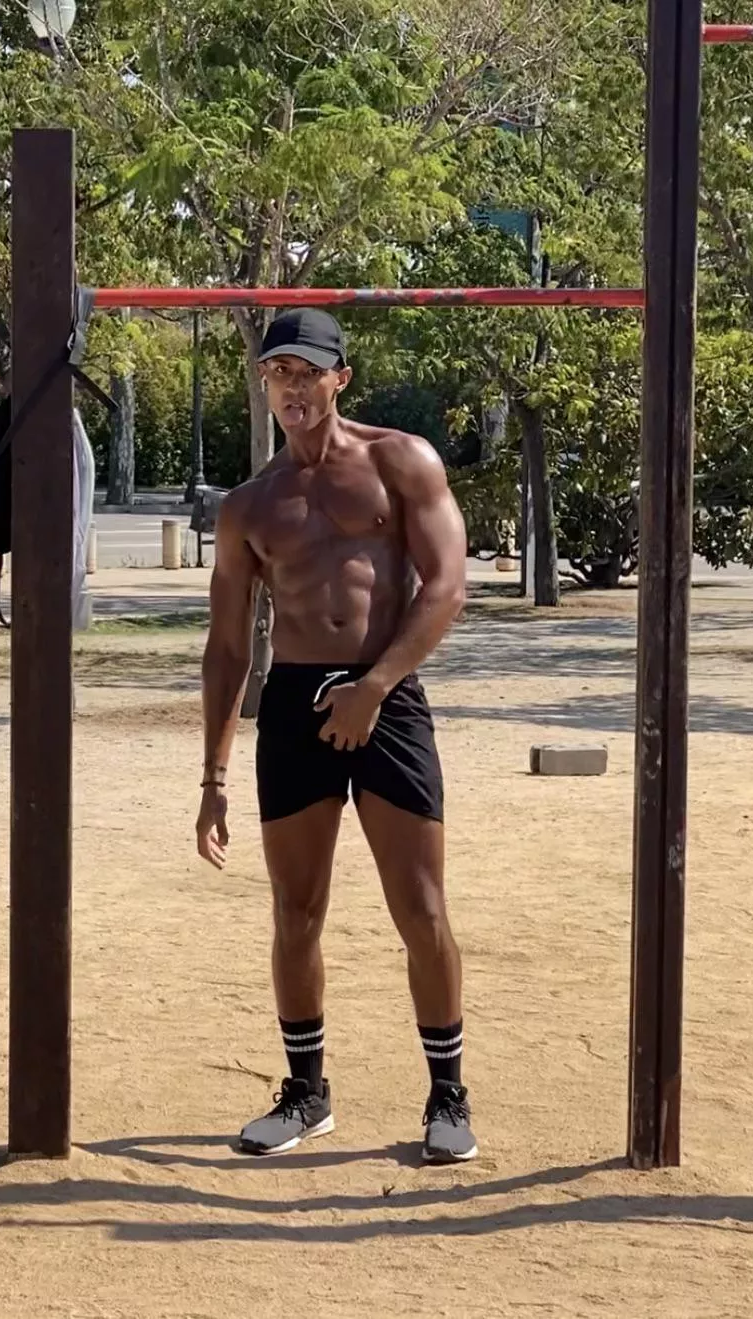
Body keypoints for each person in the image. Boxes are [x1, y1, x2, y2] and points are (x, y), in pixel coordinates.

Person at [196, 307, 477, 1164]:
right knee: (295, 910)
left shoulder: (400, 461)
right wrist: (211, 775)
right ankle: (307, 1092)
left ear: (337, 378)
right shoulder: (249, 506)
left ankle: (447, 1096)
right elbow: (228, 643)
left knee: (420, 908)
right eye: (276, 373)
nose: (290, 387)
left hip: (384, 700)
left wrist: (375, 685)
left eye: (305, 372)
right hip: (293, 706)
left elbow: (446, 586)